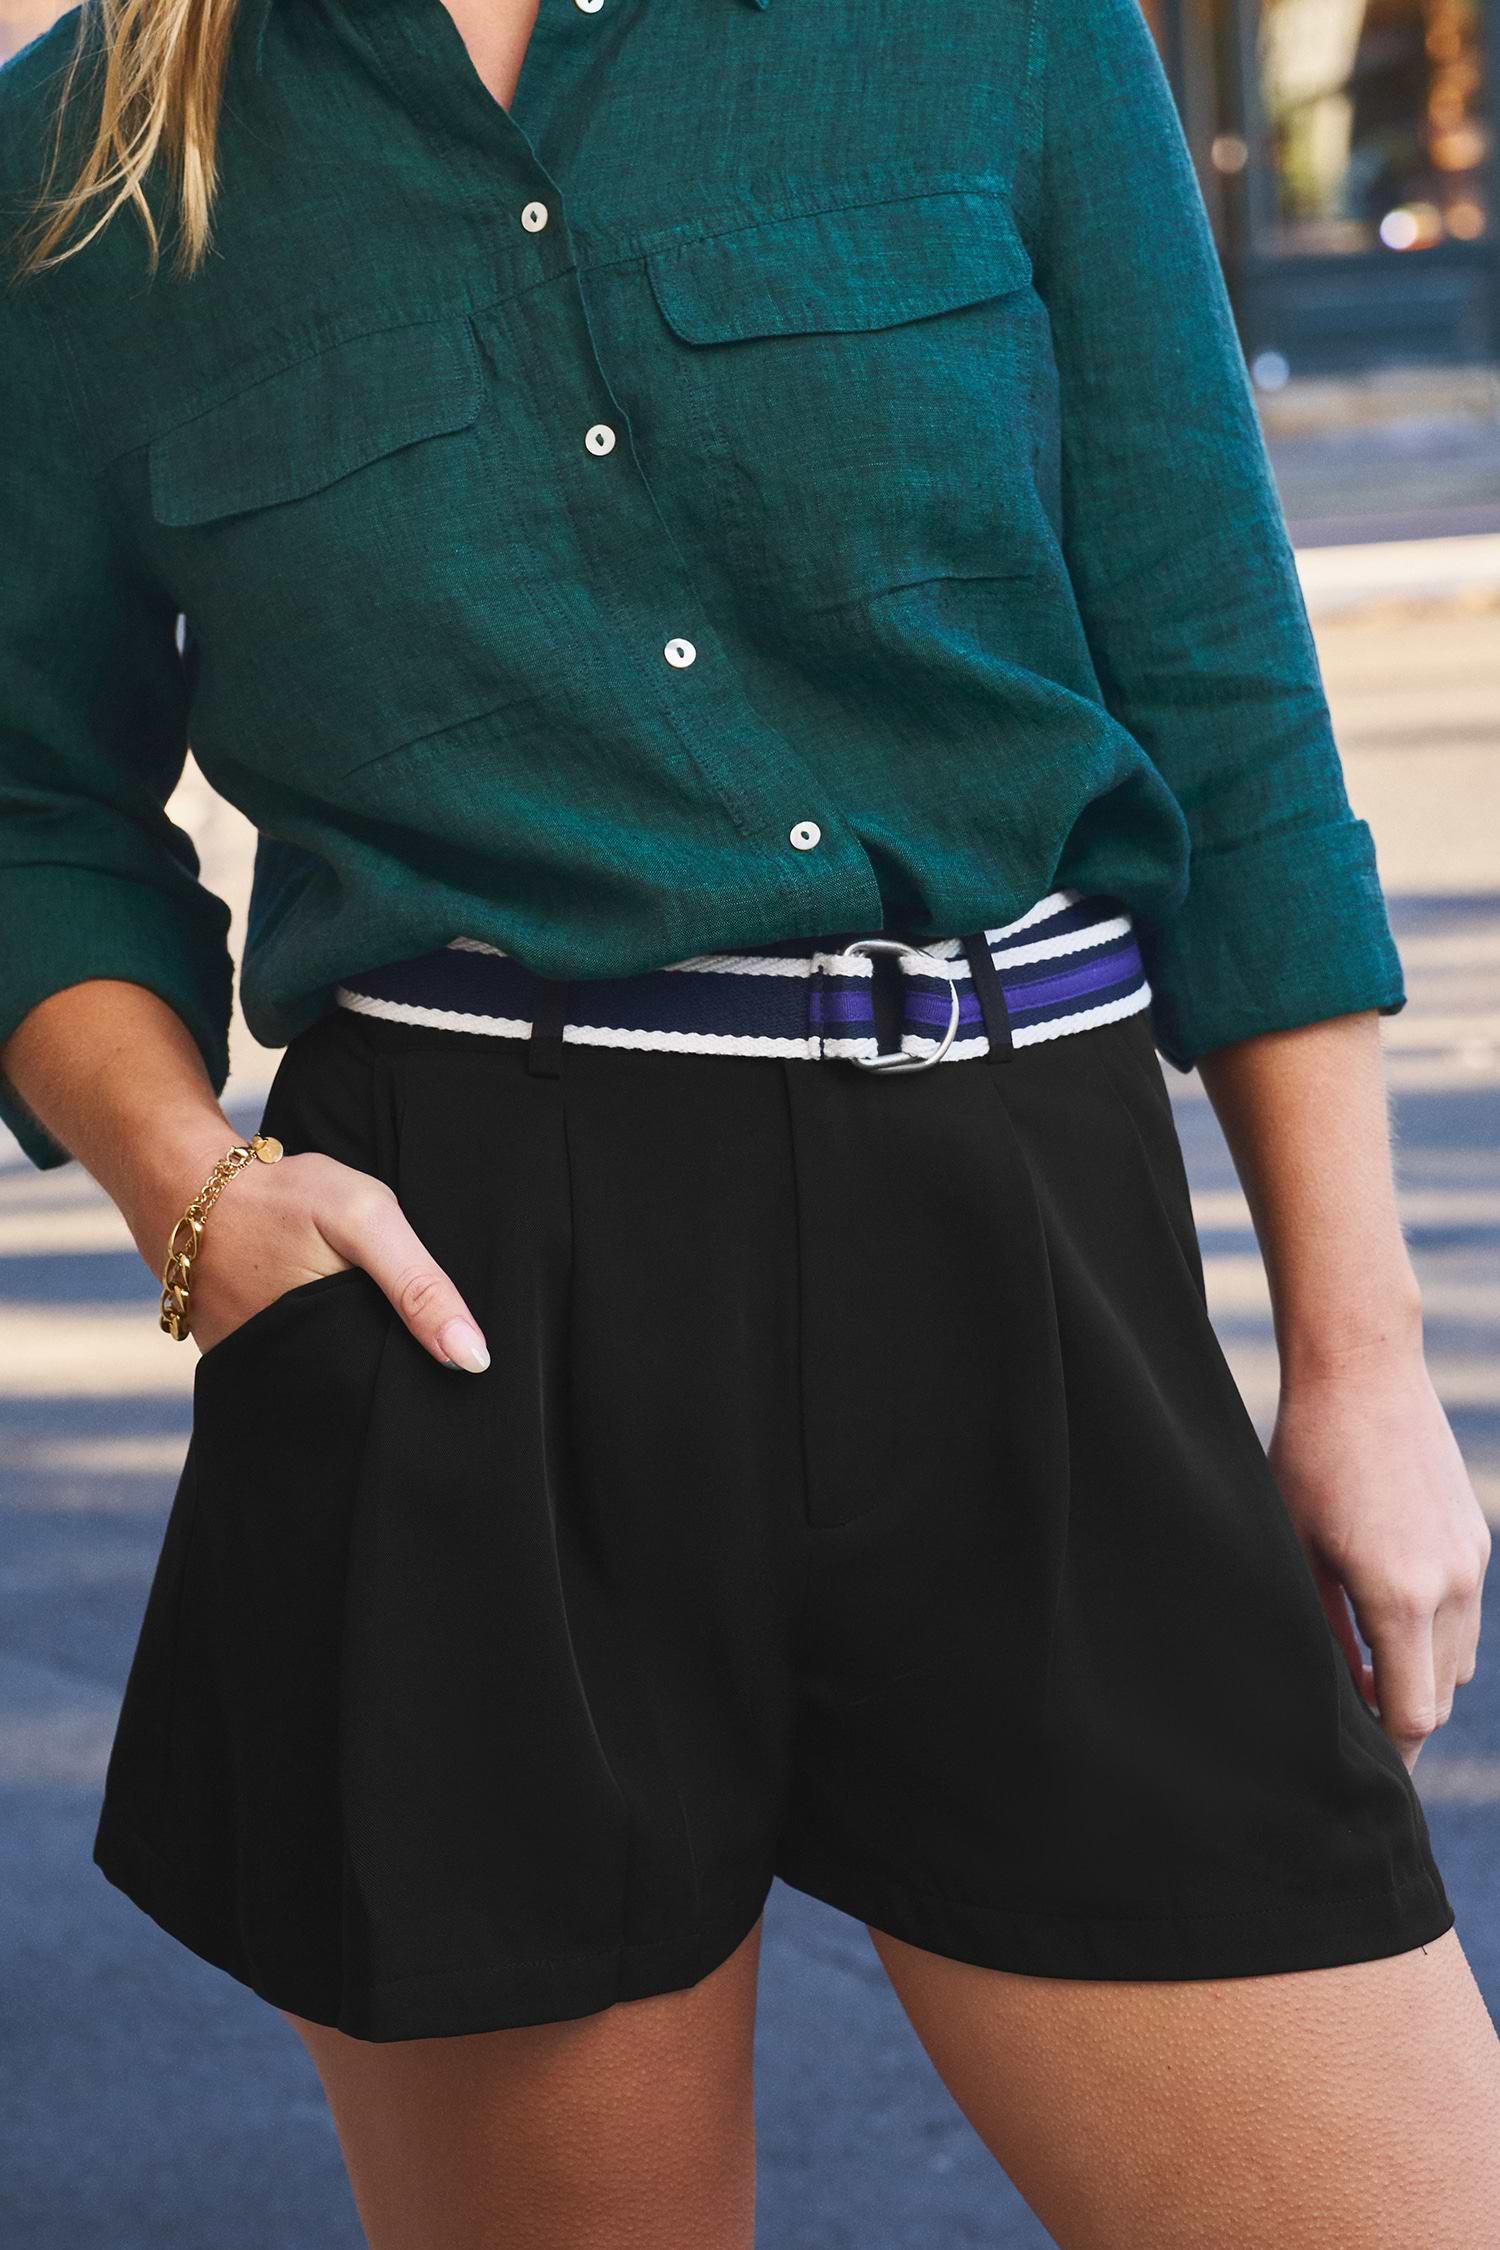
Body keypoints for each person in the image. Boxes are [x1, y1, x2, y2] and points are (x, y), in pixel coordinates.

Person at [2, 0, 1496, 2242]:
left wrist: (1363, 1362)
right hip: (466, 1328)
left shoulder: (994, 30)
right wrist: (191, 1191)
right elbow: (32, 801)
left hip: (1026, 1257)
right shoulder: (82, 167)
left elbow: (1223, 696)